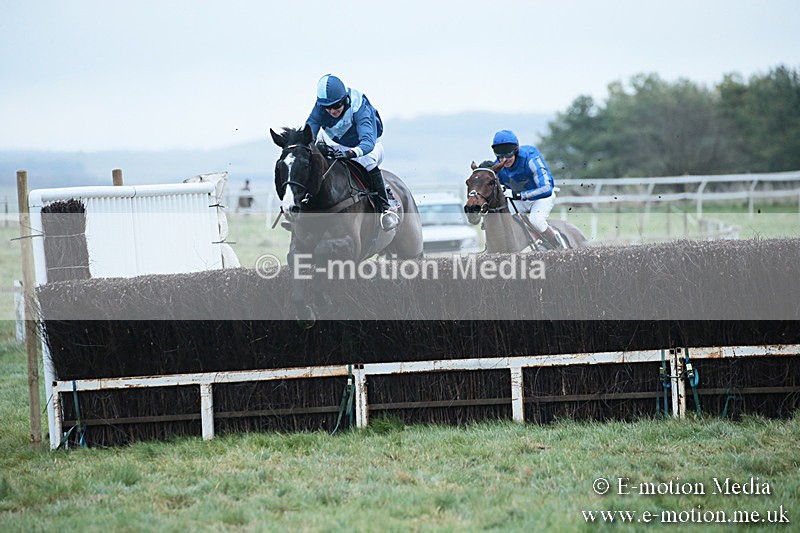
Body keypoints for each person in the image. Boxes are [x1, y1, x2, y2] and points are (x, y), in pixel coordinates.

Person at [306, 73, 398, 231]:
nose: (332, 111)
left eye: (336, 106)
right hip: (335, 143)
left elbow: (368, 142)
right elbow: (310, 129)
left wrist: (350, 153)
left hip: (367, 147)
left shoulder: (359, 106)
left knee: (367, 162)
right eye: (328, 108)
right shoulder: (321, 108)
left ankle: (385, 209)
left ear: (345, 99)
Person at [491, 129, 567, 249]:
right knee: (500, 219)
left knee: (536, 221)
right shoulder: (497, 166)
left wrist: (519, 195)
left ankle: (559, 247)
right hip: (519, 200)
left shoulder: (530, 158)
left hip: (541, 198)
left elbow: (547, 188)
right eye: (500, 153)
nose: (504, 159)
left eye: (508, 153)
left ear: (516, 150)